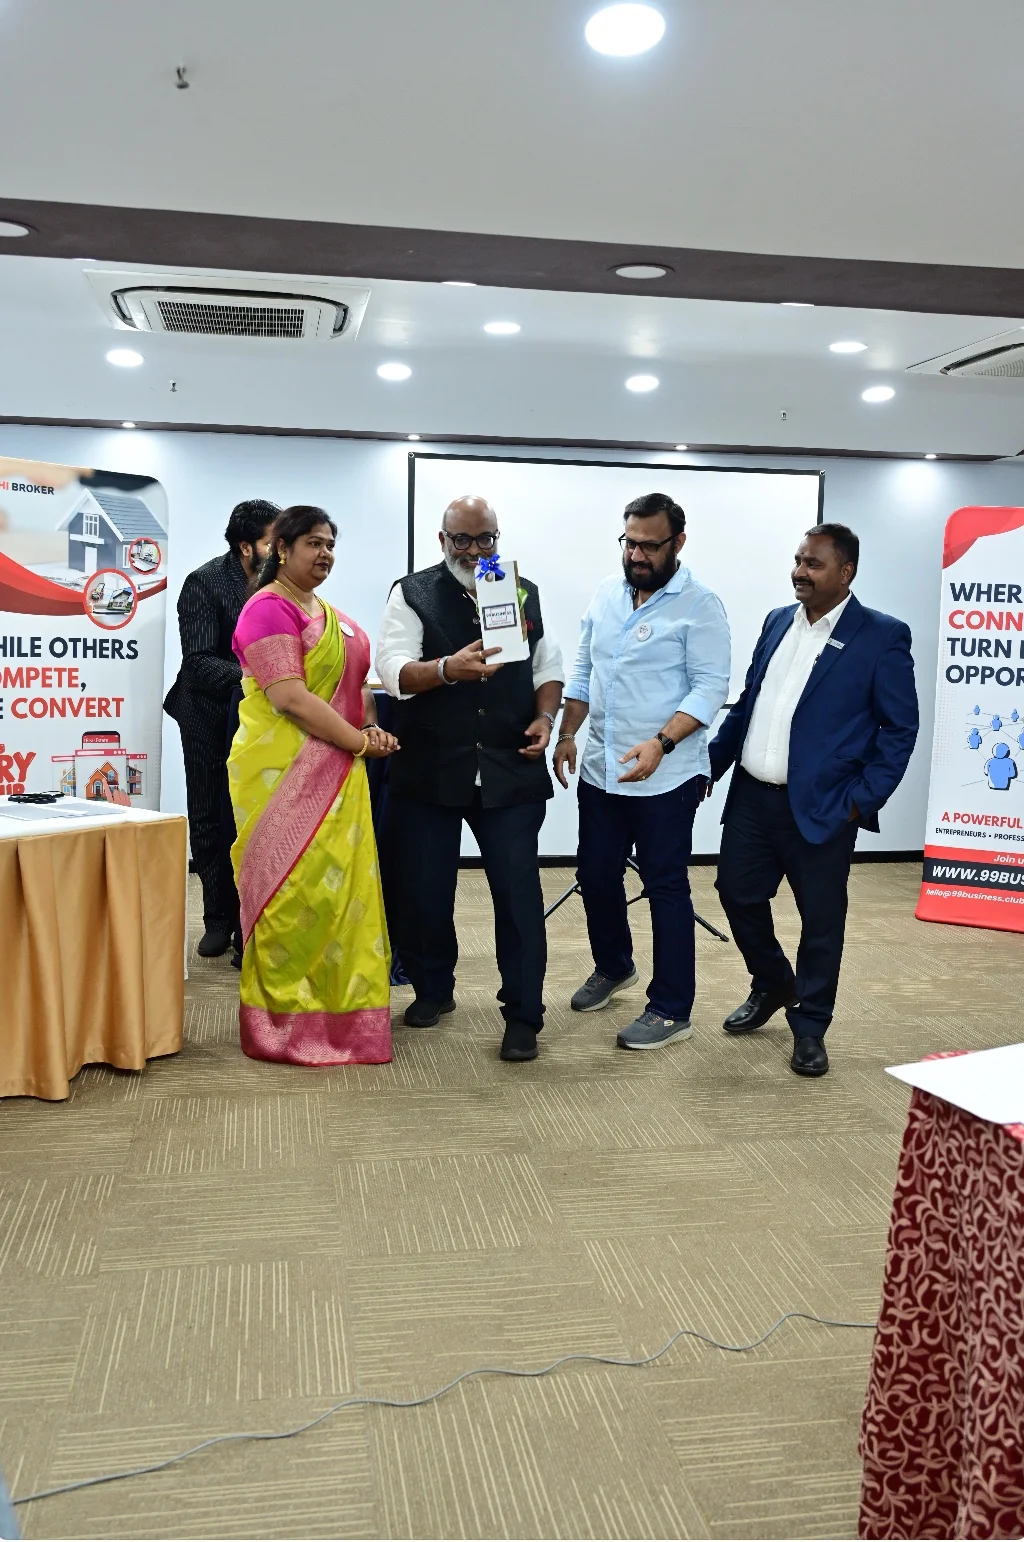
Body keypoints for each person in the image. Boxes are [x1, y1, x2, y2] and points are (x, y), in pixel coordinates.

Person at [708, 522, 919, 1078]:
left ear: (846, 572)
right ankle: (775, 982)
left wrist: (861, 800)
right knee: (736, 893)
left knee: (821, 921)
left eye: (813, 564)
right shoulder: (778, 621)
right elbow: (749, 703)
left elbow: (899, 730)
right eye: (798, 560)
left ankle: (810, 1026)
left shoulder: (882, 636)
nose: (799, 571)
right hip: (752, 797)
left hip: (826, 806)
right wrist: (712, 765)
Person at [375, 495, 564, 1062]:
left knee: (518, 895)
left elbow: (547, 667)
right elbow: (392, 670)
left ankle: (524, 1014)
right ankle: (433, 988)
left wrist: (545, 718)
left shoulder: (519, 589)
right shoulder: (411, 592)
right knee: (424, 890)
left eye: (487, 540)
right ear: (442, 540)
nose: (476, 551)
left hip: (509, 766)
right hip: (430, 767)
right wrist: (445, 670)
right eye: (463, 540)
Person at [555, 492, 731, 1050]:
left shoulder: (700, 604)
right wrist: (567, 733)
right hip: (603, 768)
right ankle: (614, 965)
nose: (637, 555)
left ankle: (671, 1008)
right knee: (595, 874)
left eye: (650, 546)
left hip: (667, 777)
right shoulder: (607, 593)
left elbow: (711, 687)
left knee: (665, 886)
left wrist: (662, 742)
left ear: (678, 543)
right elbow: (584, 670)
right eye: (630, 542)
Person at [228, 505, 398, 1066]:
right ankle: (282, 1025)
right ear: (282, 548)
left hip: (340, 774)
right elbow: (289, 697)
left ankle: (344, 1020)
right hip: (284, 776)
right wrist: (358, 743)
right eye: (313, 543)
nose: (325, 554)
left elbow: (357, 686)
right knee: (291, 894)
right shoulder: (267, 608)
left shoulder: (330, 615)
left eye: (330, 545)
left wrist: (368, 728)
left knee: (338, 897)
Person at [164, 499, 278, 957]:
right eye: (272, 542)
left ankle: (250, 920)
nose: (281, 550)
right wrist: (262, 677)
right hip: (206, 715)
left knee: (253, 821)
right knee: (211, 816)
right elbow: (199, 662)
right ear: (245, 547)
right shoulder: (204, 583)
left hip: (259, 719)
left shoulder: (281, 585)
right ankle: (217, 918)